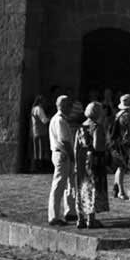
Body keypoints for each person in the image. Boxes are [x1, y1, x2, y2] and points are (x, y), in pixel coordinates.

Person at [74, 101, 109, 229]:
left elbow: (76, 147)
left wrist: (76, 163)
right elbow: (97, 146)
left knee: (81, 187)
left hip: (81, 159)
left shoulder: (80, 127)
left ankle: (80, 219)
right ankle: (91, 219)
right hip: (93, 160)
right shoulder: (96, 127)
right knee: (92, 187)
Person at [47, 95, 76, 226]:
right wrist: (72, 155)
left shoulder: (60, 119)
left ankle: (70, 211)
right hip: (62, 154)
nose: (71, 108)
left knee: (69, 184)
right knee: (59, 185)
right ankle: (54, 215)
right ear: (63, 106)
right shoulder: (59, 120)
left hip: (62, 154)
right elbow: (64, 140)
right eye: (69, 105)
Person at [109, 93, 130, 200]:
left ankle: (116, 189)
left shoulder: (118, 114)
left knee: (120, 167)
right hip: (122, 144)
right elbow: (127, 133)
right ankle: (121, 191)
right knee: (122, 167)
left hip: (116, 144)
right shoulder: (125, 116)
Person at [29, 94, 50, 173]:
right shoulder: (39, 109)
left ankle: (34, 167)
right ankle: (39, 167)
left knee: (35, 150)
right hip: (40, 132)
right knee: (40, 151)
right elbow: (44, 120)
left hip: (34, 132)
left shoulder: (33, 109)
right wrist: (50, 118)